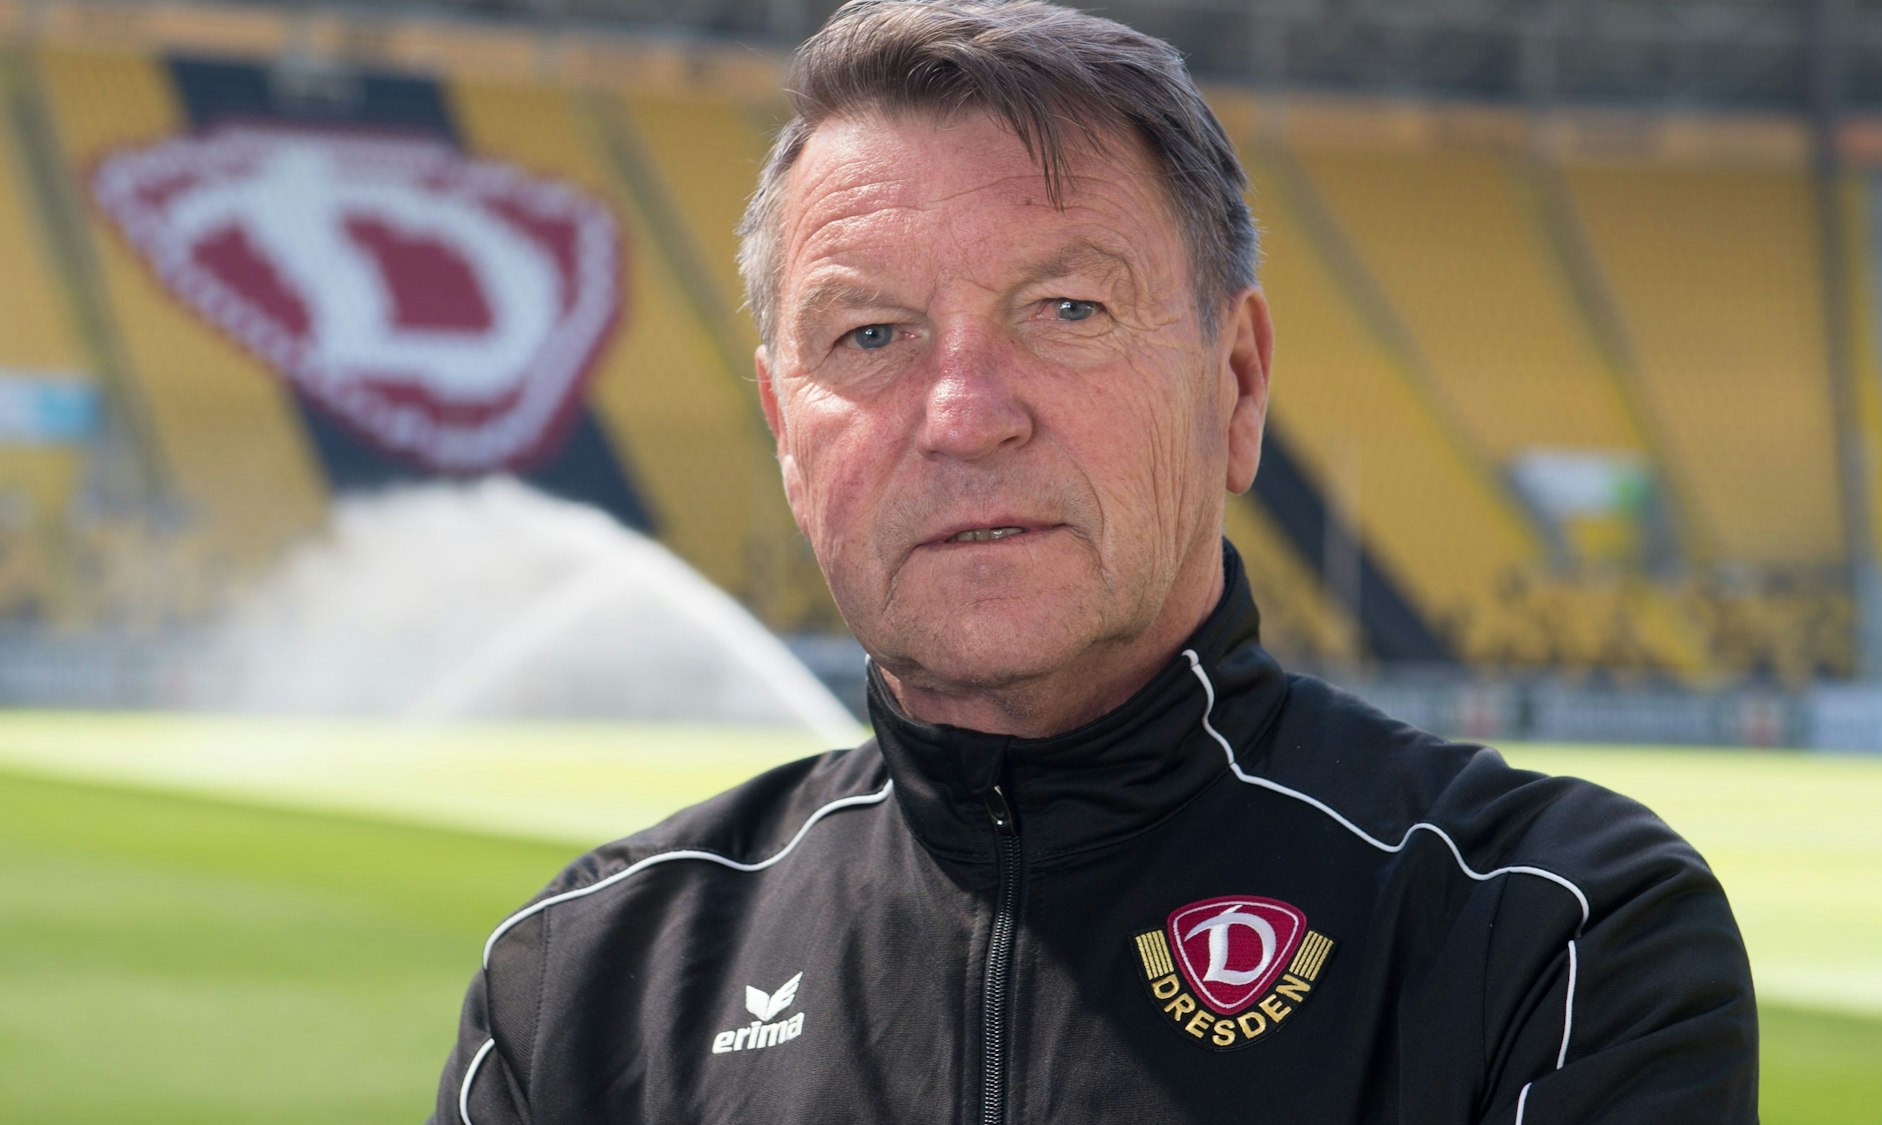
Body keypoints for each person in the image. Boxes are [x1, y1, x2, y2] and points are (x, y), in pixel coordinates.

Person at [433, 1, 1758, 1121]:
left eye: (1067, 310)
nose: (963, 414)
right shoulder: (582, 984)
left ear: (1235, 386)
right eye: (870, 336)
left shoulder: (1551, 931)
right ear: (788, 437)